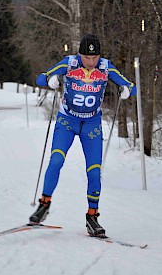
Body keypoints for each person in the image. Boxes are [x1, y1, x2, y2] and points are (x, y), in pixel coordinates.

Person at [30, 34, 136, 237]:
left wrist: (127, 90)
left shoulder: (105, 67)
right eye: (87, 58)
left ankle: (92, 217)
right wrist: (51, 79)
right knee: (56, 161)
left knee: (94, 171)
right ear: (80, 55)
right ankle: (44, 205)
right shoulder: (69, 63)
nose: (91, 62)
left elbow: (132, 86)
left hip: (91, 125)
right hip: (67, 121)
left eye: (94, 57)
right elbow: (40, 77)